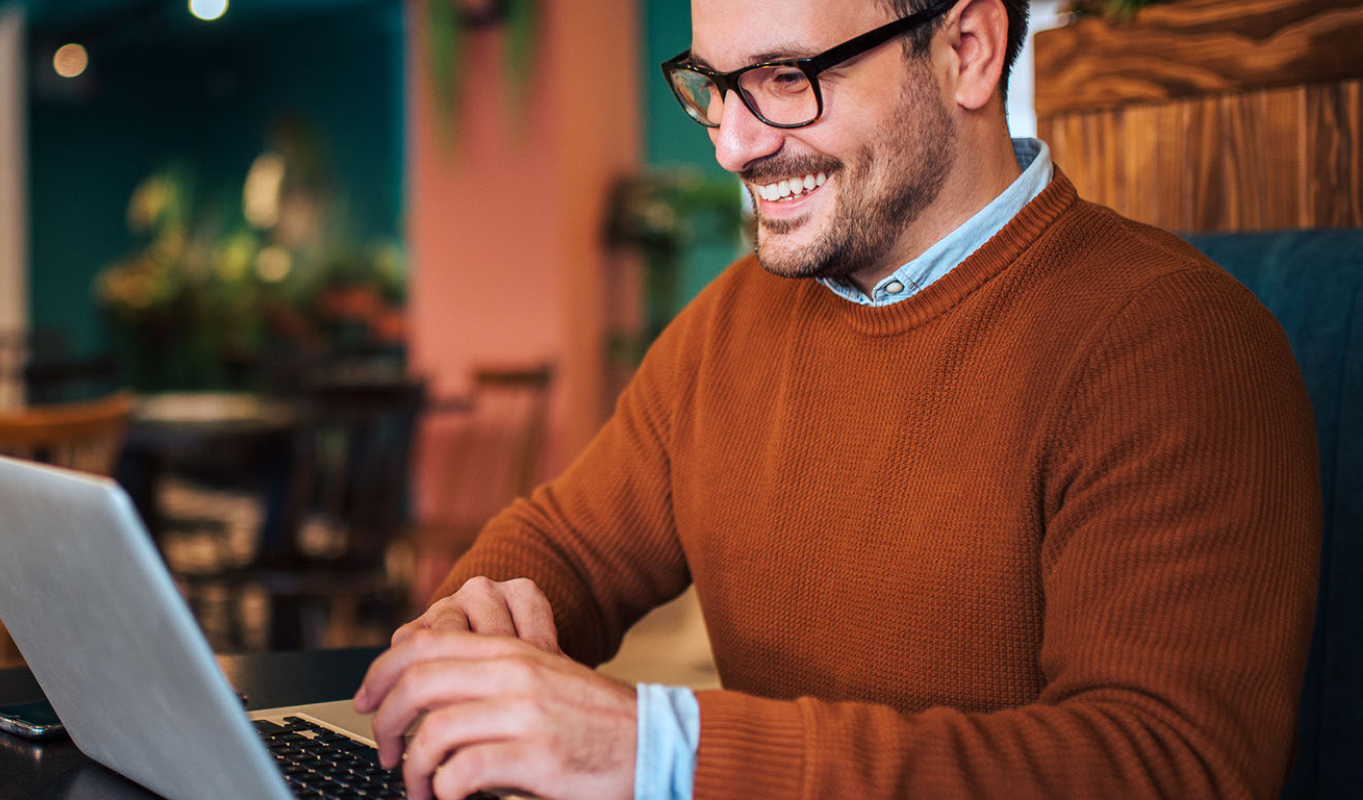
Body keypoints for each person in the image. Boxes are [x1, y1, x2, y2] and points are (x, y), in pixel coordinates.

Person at [351, 0, 1322, 797]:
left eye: (785, 79)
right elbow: (562, 546)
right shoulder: (729, 323)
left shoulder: (1174, 345)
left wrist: (658, 747)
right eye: (715, 85)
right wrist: (469, 628)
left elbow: (1164, 765)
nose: (730, 144)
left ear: (968, 50)